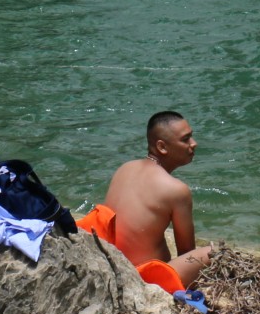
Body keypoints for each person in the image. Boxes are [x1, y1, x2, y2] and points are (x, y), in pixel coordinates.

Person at [79, 111, 214, 292]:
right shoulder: (176, 190)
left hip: (111, 266)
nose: (194, 143)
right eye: (186, 139)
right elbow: (187, 253)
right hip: (143, 278)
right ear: (162, 147)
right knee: (213, 252)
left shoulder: (125, 168)